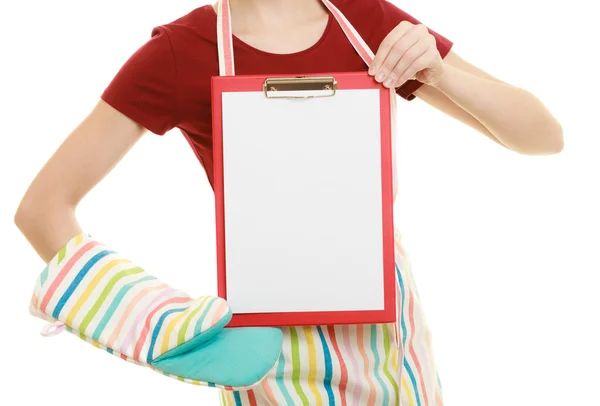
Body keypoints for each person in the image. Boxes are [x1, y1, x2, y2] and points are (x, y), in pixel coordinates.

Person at [14, 0, 563, 405]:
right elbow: (42, 209)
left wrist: (437, 72)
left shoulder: (368, 24)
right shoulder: (182, 52)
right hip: (266, 350)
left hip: (388, 335)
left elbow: (543, 136)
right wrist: (167, 324)